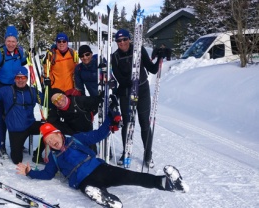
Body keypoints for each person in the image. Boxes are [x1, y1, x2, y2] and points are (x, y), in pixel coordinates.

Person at [16, 121, 189, 208]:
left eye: (53, 137)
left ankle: (166, 183)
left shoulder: (76, 139)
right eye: (48, 141)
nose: (53, 142)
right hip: (83, 180)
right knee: (89, 189)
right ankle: (109, 201)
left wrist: (110, 121)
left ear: (59, 134)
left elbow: (97, 135)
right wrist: (30, 171)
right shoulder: (53, 158)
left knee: (132, 176)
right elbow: (47, 174)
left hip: (100, 168)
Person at [111, 29, 161, 168]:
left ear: (130, 39)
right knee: (127, 124)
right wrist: (130, 82)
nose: (122, 43)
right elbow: (119, 78)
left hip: (143, 91)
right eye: (119, 41)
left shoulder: (139, 50)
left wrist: (159, 58)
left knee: (144, 123)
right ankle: (126, 152)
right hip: (127, 93)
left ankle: (148, 154)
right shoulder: (114, 57)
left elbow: (152, 69)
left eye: (125, 40)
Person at [32, 88, 114, 163]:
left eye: (59, 97)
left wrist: (110, 100)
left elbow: (97, 100)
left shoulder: (79, 101)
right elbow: (50, 121)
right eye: (55, 101)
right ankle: (38, 154)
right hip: (72, 132)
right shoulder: (56, 110)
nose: (59, 102)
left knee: (92, 155)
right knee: (49, 130)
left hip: (86, 132)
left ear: (64, 95)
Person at [0, 25, 27, 159]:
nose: (11, 44)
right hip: (2, 87)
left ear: (17, 41)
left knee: (17, 115)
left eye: (13, 41)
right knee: (4, 117)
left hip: (16, 86)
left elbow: (24, 63)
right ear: (5, 41)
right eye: (8, 41)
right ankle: (2, 145)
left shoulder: (20, 52)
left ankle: (17, 142)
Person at [0, 67, 42, 164]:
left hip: (30, 125)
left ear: (27, 78)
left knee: (51, 128)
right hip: (16, 130)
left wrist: (49, 89)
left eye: (23, 78)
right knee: (17, 160)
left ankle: (38, 153)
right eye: (18, 78)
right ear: (14, 79)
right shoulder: (6, 91)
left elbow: (47, 100)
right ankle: (18, 147)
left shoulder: (33, 91)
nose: (20, 80)